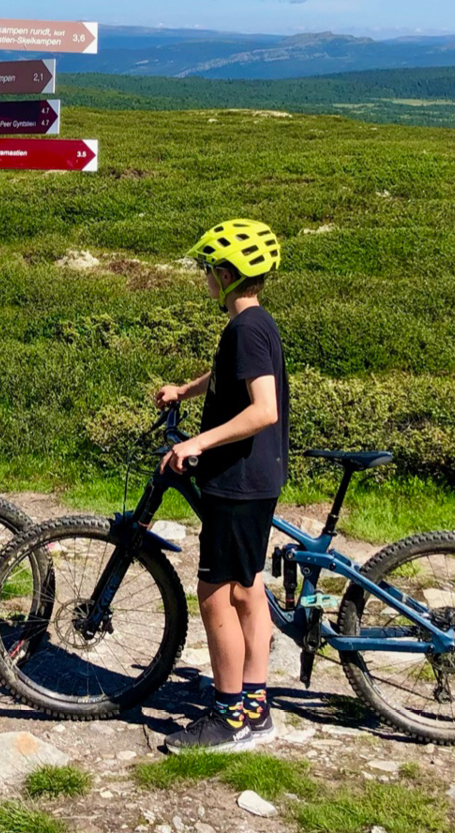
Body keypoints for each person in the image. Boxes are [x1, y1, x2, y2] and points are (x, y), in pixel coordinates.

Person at [152, 219, 289, 752]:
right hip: (257, 476)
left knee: (217, 596)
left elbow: (264, 408)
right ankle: (256, 707)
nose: (205, 276)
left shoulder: (245, 330)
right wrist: (186, 389)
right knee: (249, 588)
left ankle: (231, 717)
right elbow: (233, 374)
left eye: (210, 268)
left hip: (238, 481)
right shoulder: (254, 325)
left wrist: (197, 444)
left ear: (228, 274)